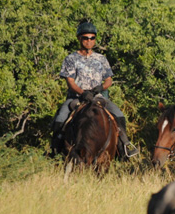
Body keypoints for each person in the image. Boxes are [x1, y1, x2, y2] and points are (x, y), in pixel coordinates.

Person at [51, 22, 139, 157]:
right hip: (76, 97)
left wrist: (101, 87)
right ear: (79, 39)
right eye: (85, 38)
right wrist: (83, 93)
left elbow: (109, 79)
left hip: (98, 96)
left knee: (118, 114)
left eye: (92, 38)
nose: (89, 41)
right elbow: (70, 81)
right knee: (61, 117)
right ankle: (54, 149)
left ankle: (124, 146)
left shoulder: (101, 59)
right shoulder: (71, 58)